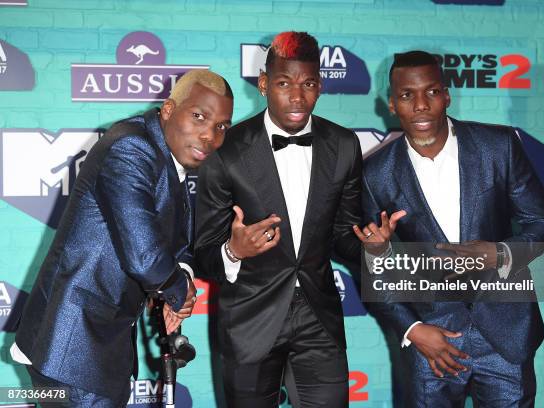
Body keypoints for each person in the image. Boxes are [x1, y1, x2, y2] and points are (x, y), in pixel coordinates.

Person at [12, 69, 234, 407]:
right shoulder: (131, 147)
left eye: (221, 127)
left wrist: (181, 279)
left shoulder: (171, 159)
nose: (209, 136)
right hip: (72, 348)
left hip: (97, 345)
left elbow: (177, 245)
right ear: (169, 110)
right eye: (199, 117)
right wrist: (178, 292)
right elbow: (144, 256)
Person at [355, 51, 544, 407]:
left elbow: (542, 223)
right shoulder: (375, 175)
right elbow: (375, 271)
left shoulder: (499, 147)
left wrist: (499, 253)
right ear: (392, 104)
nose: (420, 105)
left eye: (431, 92)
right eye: (407, 95)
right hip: (431, 337)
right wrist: (412, 329)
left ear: (446, 95)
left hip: (504, 336)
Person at [195, 31, 362, 408]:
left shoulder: (345, 145)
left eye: (308, 84)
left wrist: (373, 246)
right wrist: (233, 251)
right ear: (265, 84)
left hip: (320, 319)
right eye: (285, 83)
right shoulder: (227, 151)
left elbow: (343, 236)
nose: (297, 97)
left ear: (320, 85)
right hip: (250, 321)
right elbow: (204, 250)